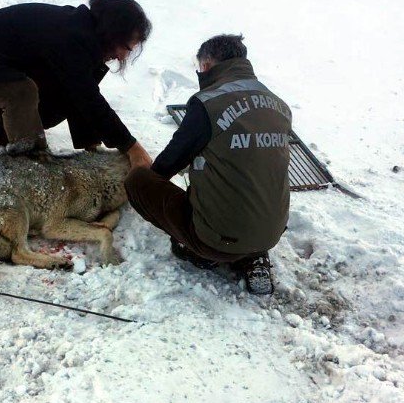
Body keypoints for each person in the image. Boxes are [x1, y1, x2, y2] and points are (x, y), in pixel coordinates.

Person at [124, 34, 291, 294]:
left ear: (207, 65)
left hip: (216, 239)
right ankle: (254, 253)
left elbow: (167, 165)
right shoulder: (279, 105)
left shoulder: (208, 103)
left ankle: (205, 252)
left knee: (139, 182)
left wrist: (147, 178)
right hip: (272, 233)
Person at [0, 0, 153, 168]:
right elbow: (87, 98)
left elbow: (79, 91)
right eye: (126, 47)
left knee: (49, 96)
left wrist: (91, 145)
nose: (124, 57)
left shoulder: (81, 31)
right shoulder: (72, 38)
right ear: (111, 32)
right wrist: (131, 147)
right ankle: (31, 163)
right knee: (23, 92)